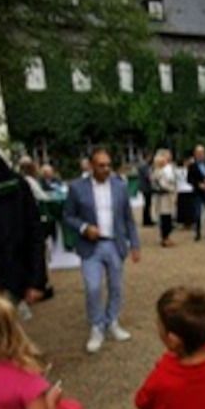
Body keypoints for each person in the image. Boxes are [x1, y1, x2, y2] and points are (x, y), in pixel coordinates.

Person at [64, 147, 140, 354]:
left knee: (116, 286)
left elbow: (128, 218)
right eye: (101, 165)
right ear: (91, 166)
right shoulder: (77, 188)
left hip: (115, 244)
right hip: (90, 246)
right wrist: (84, 227)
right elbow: (68, 216)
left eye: (108, 165)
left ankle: (112, 321)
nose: (106, 169)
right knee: (93, 287)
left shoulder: (119, 186)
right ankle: (97, 325)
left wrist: (135, 244)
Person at [0, 148, 47, 307]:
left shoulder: (16, 186)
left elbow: (34, 234)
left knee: (6, 329)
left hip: (8, 282)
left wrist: (36, 281)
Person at [151, 149, 176, 247]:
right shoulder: (158, 172)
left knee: (168, 218)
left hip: (168, 196)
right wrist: (168, 187)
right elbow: (159, 184)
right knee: (165, 218)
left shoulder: (168, 169)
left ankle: (167, 237)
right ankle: (165, 238)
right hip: (163, 197)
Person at [137, 155, 155, 226]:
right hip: (146, 187)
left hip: (145, 187)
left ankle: (148, 219)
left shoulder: (144, 165)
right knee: (147, 204)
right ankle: (146, 220)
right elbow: (148, 176)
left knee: (148, 204)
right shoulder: (144, 166)